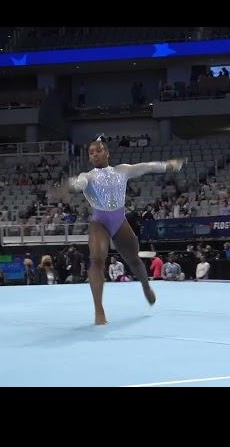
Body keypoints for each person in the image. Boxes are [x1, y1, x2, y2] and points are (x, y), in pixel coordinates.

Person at [68, 134, 185, 324]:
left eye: (98, 150)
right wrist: (74, 184)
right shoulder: (87, 176)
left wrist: (168, 165)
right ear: (89, 158)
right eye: (91, 153)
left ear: (107, 153)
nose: (95, 154)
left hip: (119, 220)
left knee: (134, 260)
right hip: (100, 222)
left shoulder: (122, 170)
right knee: (97, 260)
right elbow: (80, 183)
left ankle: (146, 286)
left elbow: (146, 167)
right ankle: (99, 310)